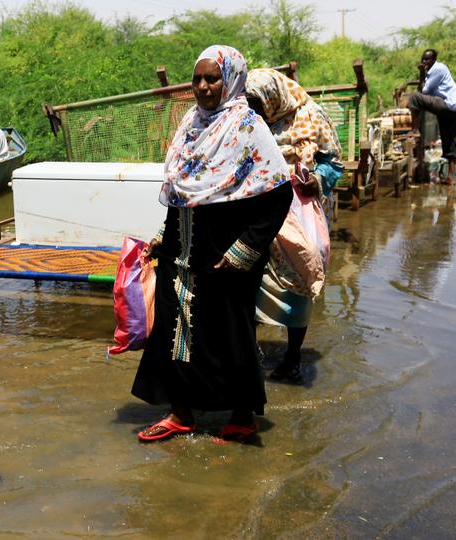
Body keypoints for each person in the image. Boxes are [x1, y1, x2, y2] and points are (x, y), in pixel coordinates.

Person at [131, 46, 293, 445]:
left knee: (230, 333)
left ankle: (241, 417)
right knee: (176, 330)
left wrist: (244, 250)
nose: (202, 87)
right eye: (197, 78)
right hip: (182, 248)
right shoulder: (191, 123)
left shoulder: (247, 127)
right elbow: (182, 193)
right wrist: (161, 237)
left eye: (212, 78)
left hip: (228, 254)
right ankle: (181, 411)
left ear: (232, 79)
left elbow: (278, 195)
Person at [245, 68, 343, 385]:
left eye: (258, 104)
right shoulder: (246, 120)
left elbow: (333, 162)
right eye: (250, 104)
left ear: (273, 98)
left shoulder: (310, 117)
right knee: (248, 279)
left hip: (296, 211)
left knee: (298, 277)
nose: (254, 111)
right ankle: (248, 353)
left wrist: (317, 180)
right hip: (256, 209)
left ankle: (293, 356)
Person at [407, 49, 456, 184]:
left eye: (428, 59)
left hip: (448, 105)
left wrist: (421, 72)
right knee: (449, 139)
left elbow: (423, 91)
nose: (425, 62)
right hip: (454, 109)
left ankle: (415, 129)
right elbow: (425, 88)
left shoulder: (438, 69)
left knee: (414, 98)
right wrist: (423, 74)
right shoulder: (432, 72)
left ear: (434, 60)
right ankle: (451, 178)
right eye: (423, 59)